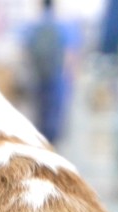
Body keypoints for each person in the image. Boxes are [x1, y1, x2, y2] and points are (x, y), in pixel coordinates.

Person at [26, 0, 73, 143]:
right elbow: (70, 54)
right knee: (54, 114)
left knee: (40, 111)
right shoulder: (62, 26)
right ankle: (52, 144)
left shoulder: (34, 26)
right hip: (56, 76)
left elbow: (27, 50)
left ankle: (40, 142)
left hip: (38, 76)